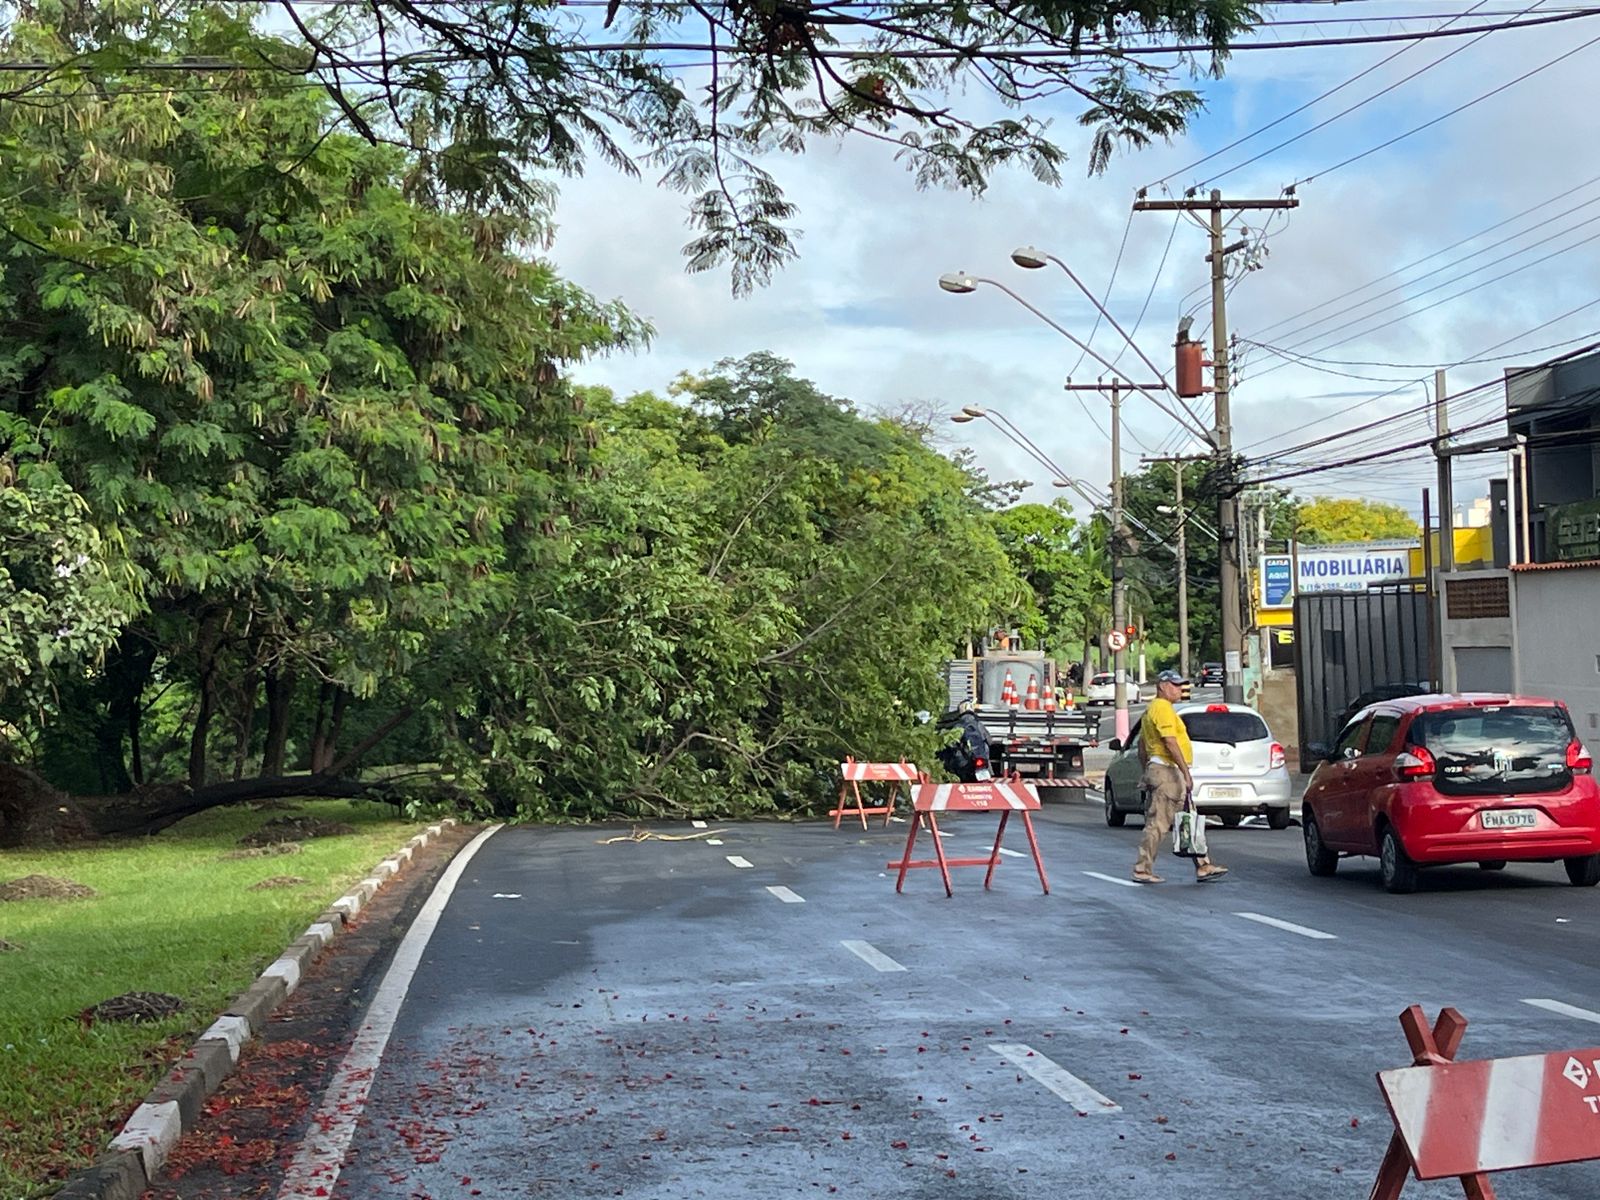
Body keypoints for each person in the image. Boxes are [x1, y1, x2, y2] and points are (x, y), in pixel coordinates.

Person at [1133, 669, 1229, 884]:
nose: (1179, 689)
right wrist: (1185, 772)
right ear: (1162, 686)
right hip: (1167, 772)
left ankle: (1203, 866)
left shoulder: (1154, 710)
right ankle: (1142, 869)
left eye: (1180, 685)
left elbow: (1141, 747)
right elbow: (1170, 741)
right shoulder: (1162, 708)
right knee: (1158, 823)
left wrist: (1147, 770)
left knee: (1188, 819)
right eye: (1175, 685)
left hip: (1163, 771)